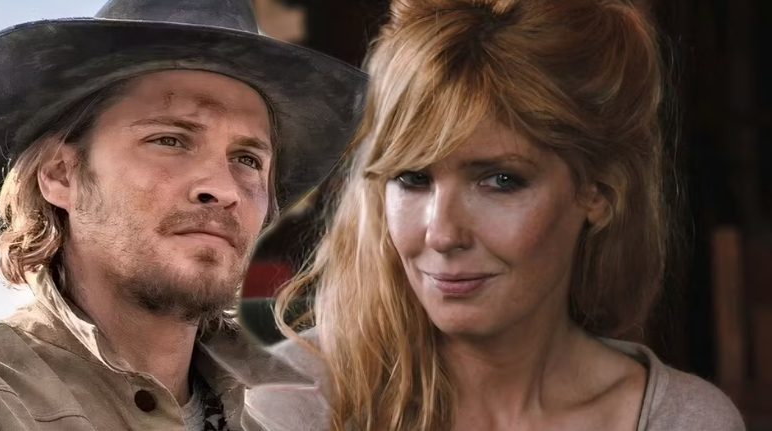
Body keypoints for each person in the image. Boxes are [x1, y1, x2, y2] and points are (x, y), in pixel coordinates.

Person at [0, 0, 366, 430]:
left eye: (248, 160)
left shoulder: (293, 417)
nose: (223, 188)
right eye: (170, 140)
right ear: (60, 174)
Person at [247, 0, 747, 430]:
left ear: (597, 191)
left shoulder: (684, 420)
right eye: (413, 178)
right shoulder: (288, 407)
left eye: (500, 180)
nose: (442, 233)